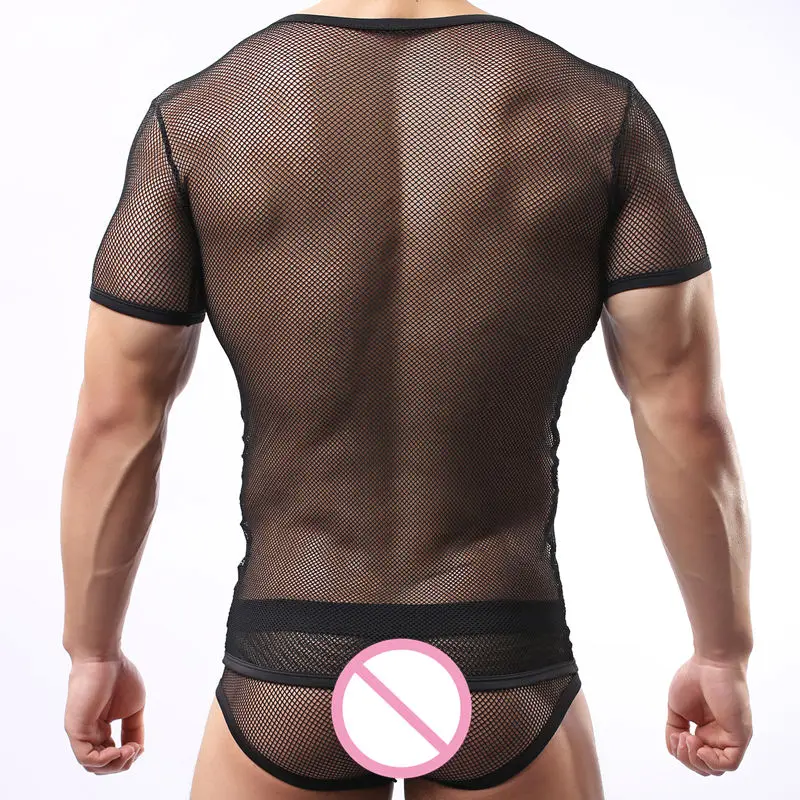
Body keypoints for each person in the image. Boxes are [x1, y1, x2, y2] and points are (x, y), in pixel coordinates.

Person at [60, 1, 754, 797]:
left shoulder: (198, 120)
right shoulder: (596, 116)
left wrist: (92, 652)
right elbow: (685, 416)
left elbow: (115, 420)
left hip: (286, 659)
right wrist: (722, 653)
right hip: (504, 656)